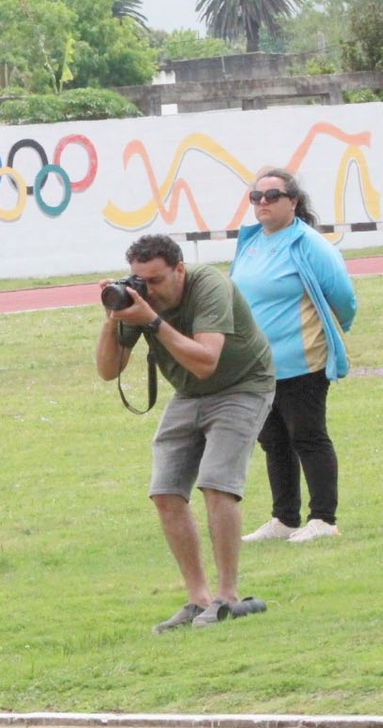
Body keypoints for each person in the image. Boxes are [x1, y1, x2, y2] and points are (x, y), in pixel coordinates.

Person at [94, 234, 276, 632]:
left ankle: (227, 597)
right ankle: (198, 599)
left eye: (156, 280)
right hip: (190, 393)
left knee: (216, 484)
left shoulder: (209, 286)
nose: (149, 289)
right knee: (165, 492)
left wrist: (152, 322)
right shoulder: (140, 302)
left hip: (242, 386)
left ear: (179, 269)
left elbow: (207, 361)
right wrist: (114, 317)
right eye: (140, 280)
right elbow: (109, 371)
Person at [231, 168, 357, 544]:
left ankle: (323, 518)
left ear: (294, 202)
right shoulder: (251, 241)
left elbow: (344, 298)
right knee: (272, 440)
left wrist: (330, 332)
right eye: (256, 197)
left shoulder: (308, 243)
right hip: (256, 366)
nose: (263, 203)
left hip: (302, 362)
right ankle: (284, 518)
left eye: (272, 196)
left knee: (308, 435)